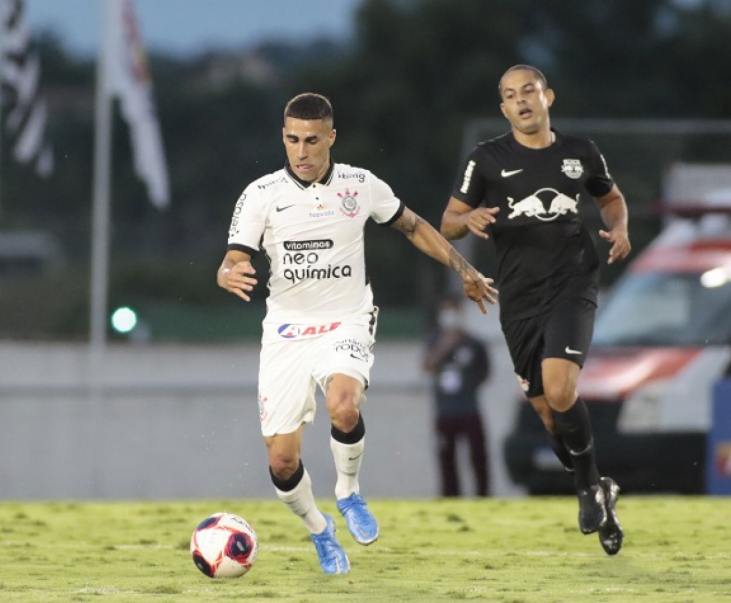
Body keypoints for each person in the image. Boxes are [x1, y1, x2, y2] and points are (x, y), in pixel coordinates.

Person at [217, 92, 496, 575]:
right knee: (283, 461)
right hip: (285, 331)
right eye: (291, 140)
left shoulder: (360, 185)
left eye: (311, 140)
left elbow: (412, 226)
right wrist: (227, 272)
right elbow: (235, 257)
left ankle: (348, 493)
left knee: (344, 405)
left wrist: (463, 267)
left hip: (346, 319)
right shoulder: (261, 194)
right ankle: (321, 531)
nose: (301, 152)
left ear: (331, 138)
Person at [440, 65, 630, 556]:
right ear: (503, 109)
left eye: (529, 91)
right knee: (547, 412)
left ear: (548, 96)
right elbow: (448, 222)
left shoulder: (580, 152)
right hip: (518, 297)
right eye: (510, 95)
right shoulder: (486, 159)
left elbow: (610, 199)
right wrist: (470, 218)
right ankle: (598, 489)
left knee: (562, 386)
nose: (521, 100)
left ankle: (588, 490)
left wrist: (621, 228)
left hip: (573, 282)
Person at [423, 296, 491, 497]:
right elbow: (427, 366)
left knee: (478, 455)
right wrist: (445, 346)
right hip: (444, 411)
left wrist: (470, 385)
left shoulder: (474, 342)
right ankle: (450, 496)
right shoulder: (434, 340)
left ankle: (483, 495)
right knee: (446, 457)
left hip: (469, 409)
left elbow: (485, 372)